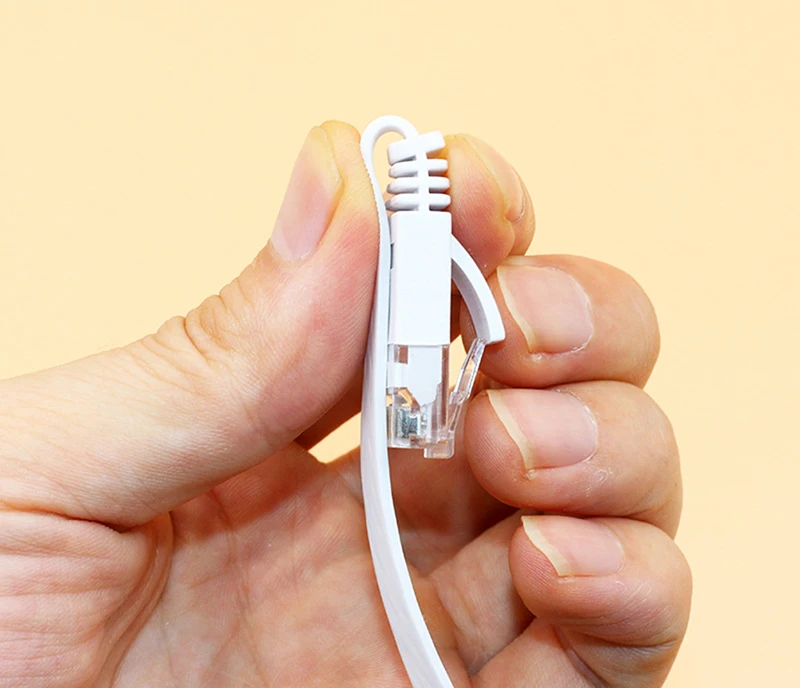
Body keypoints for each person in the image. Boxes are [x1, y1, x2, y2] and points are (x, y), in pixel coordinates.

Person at [0, 121, 691, 686]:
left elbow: (485, 314)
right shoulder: (410, 252)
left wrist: (484, 341)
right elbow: (482, 314)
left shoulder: (424, 248)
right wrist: (482, 340)